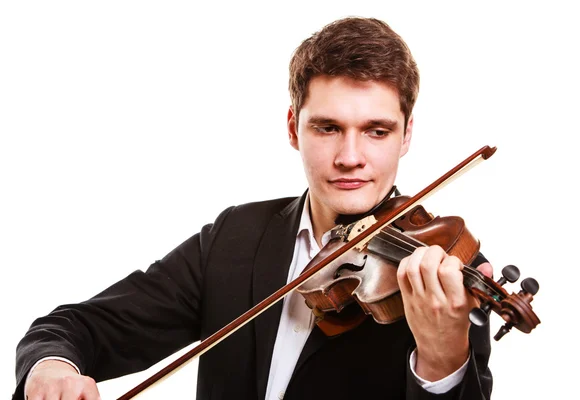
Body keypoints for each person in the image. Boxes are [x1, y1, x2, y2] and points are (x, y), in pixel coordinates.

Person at [14, 16, 494, 400]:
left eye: (377, 130)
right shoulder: (235, 236)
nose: (350, 157)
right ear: (293, 128)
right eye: (327, 128)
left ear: (406, 135)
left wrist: (442, 361)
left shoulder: (445, 272)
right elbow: (76, 327)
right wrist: (51, 365)